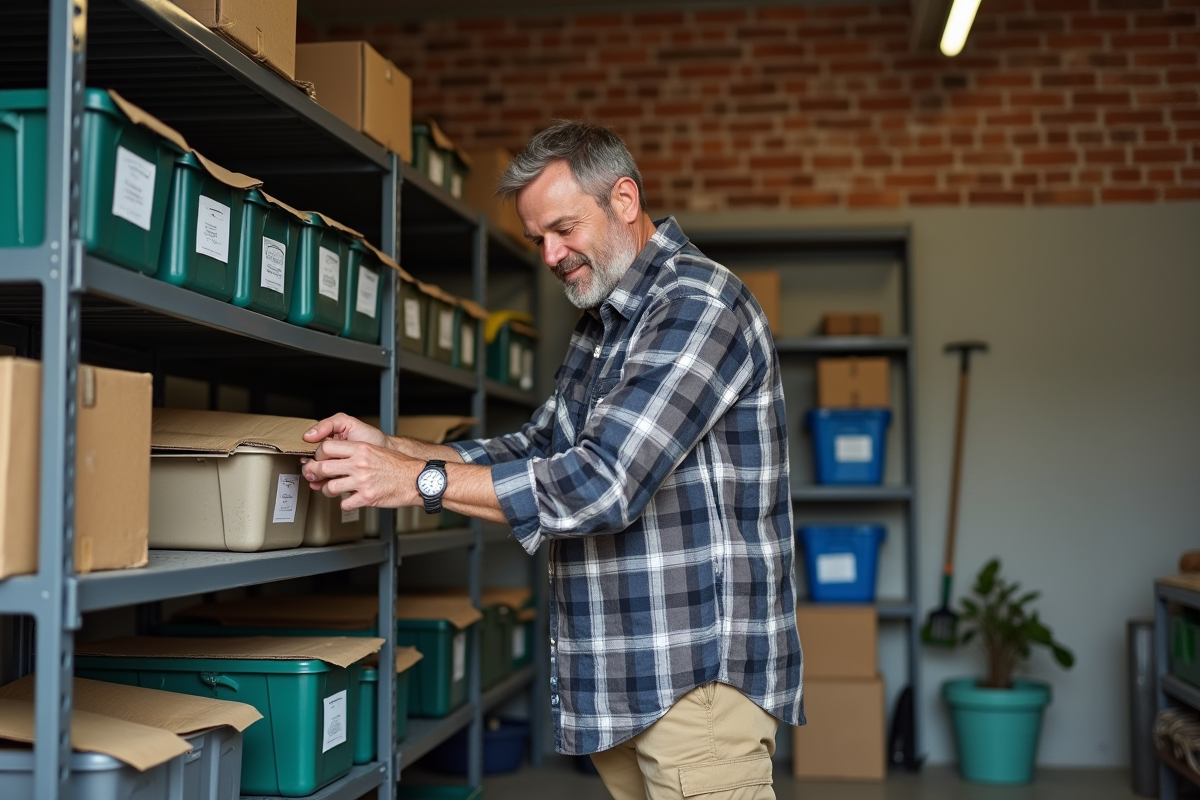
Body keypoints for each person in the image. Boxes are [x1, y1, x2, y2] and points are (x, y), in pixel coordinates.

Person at [301, 121, 804, 800]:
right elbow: (542, 447)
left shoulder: (696, 305)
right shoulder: (605, 323)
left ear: (624, 199)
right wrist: (392, 449)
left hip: (693, 685)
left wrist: (418, 482)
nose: (550, 254)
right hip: (635, 680)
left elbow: (603, 482)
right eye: (538, 238)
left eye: (563, 229)